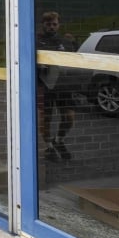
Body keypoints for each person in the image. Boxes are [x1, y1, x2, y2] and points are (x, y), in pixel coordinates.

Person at [36, 11, 77, 161]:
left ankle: (58, 140)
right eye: (48, 24)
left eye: (54, 24)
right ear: (43, 25)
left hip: (63, 85)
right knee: (46, 118)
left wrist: (73, 43)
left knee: (69, 117)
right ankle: (48, 146)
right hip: (45, 85)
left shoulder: (64, 41)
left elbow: (73, 60)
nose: (52, 27)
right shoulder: (36, 40)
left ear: (58, 25)